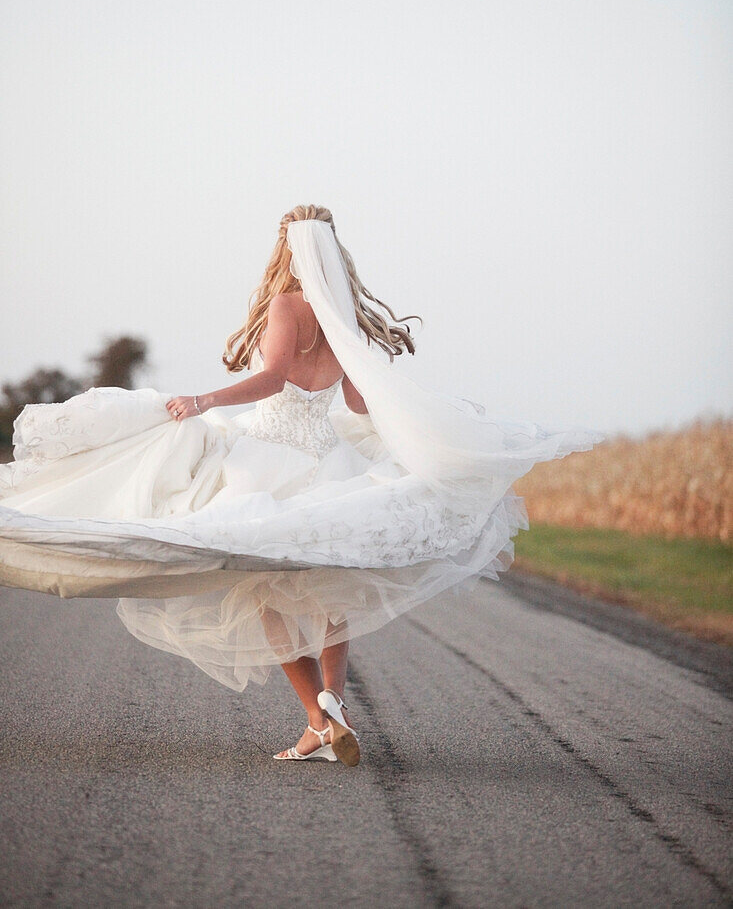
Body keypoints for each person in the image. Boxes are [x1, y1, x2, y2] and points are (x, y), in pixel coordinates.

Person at [0, 204, 605, 767]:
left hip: (270, 455)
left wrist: (205, 398)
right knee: (330, 583)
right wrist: (405, 437)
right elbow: (357, 400)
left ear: (285, 250)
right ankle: (330, 711)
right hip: (329, 457)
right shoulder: (345, 316)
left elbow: (271, 379)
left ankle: (316, 714)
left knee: (263, 587)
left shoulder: (288, 304)